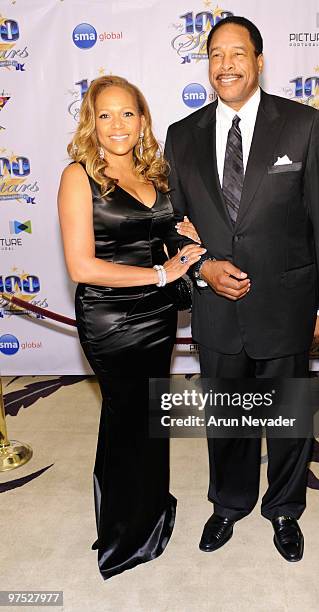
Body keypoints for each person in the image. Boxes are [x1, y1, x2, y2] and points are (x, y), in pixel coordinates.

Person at [166, 16, 319, 562]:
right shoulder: (181, 135)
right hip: (217, 309)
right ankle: (229, 503)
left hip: (287, 306)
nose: (226, 65)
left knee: (288, 419)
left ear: (259, 60)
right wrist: (203, 271)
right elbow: (173, 225)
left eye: (238, 54)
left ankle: (286, 509)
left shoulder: (303, 125)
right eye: (216, 54)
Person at [58, 75, 205, 579]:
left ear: (142, 120)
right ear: (91, 123)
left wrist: (185, 240)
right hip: (110, 319)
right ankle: (123, 537)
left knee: (151, 413)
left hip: (157, 317)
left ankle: (152, 511)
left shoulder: (155, 174)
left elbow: (162, 239)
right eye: (105, 115)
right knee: (124, 417)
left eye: (128, 113)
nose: (117, 124)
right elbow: (82, 266)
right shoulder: (79, 176)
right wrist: (160, 274)